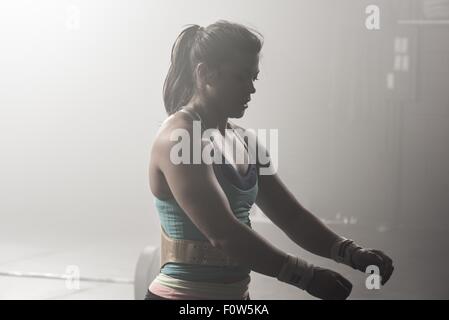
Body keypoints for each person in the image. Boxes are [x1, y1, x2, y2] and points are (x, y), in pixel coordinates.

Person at [146, 20, 394, 300]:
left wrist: (350, 252)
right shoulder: (179, 139)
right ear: (205, 74)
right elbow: (223, 234)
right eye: (241, 77)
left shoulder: (245, 140)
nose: (251, 89)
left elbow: (292, 216)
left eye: (254, 77)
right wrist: (306, 276)